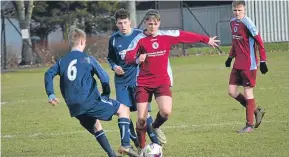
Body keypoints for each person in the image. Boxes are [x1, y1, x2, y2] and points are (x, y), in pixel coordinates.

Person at [124, 9, 220, 149]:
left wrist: (206, 39)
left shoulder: (166, 35)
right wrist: (137, 59)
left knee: (166, 112)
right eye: (150, 24)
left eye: (155, 24)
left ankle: (155, 126)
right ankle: (142, 148)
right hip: (143, 83)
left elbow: (185, 35)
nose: (153, 27)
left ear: (159, 23)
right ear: (145, 23)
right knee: (141, 119)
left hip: (162, 81)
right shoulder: (139, 39)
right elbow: (128, 57)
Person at [44, 28, 139, 157]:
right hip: (89, 101)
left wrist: (51, 94)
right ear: (83, 42)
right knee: (123, 109)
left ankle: (112, 155)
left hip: (73, 107)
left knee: (96, 127)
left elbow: (48, 73)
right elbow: (105, 78)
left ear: (70, 43)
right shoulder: (88, 59)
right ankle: (126, 144)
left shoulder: (62, 61)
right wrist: (106, 94)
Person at [107, 8, 165, 149]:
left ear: (130, 22)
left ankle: (155, 142)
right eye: (120, 23)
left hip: (139, 80)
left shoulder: (140, 35)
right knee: (123, 112)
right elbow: (110, 58)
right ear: (116, 24)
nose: (123, 26)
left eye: (125, 22)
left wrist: (142, 59)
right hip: (121, 83)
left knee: (144, 113)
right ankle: (136, 142)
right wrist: (114, 67)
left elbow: (153, 50)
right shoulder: (113, 39)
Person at [225, 0, 267, 133]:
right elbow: (235, 42)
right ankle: (256, 110)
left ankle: (249, 125)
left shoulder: (248, 23)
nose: (237, 12)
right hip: (238, 64)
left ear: (244, 10)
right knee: (231, 91)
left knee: (248, 92)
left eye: (239, 10)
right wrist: (230, 57)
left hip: (249, 64)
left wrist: (263, 61)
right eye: (235, 10)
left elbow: (260, 42)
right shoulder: (232, 22)